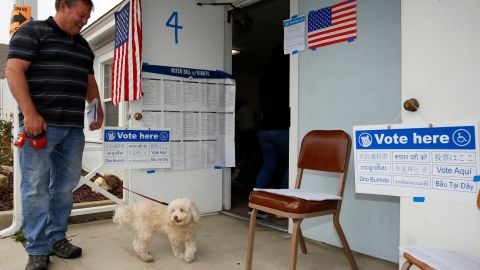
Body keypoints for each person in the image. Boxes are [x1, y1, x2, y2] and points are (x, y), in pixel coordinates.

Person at [6, 1, 103, 269]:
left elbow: (89, 80)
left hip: (73, 129)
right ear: (63, 5)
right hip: (41, 127)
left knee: (63, 189)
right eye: (81, 15)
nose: (83, 21)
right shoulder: (32, 32)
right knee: (35, 188)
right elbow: (14, 71)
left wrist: (97, 110)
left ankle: (57, 237)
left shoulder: (83, 45)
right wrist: (31, 114)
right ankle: (37, 249)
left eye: (86, 18)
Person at [250, 44, 290, 218]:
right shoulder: (291, 72)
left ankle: (255, 207)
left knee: (268, 166)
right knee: (292, 165)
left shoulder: (265, 75)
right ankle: (280, 207)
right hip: (283, 127)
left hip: (265, 129)